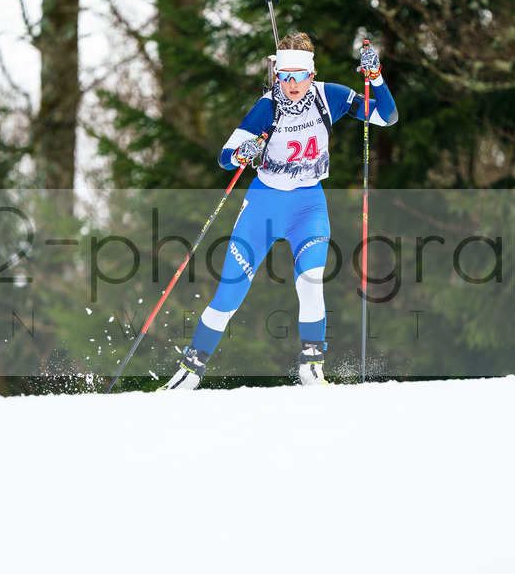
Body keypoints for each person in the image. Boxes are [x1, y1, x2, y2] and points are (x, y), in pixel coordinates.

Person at [161, 32, 398, 389]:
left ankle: (312, 366)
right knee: (229, 293)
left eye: (299, 76)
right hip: (263, 208)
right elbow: (227, 156)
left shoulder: (329, 96)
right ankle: (190, 370)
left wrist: (375, 76)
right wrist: (243, 154)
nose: (291, 84)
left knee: (311, 281)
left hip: (308, 208)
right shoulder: (267, 106)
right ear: (277, 75)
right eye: (284, 76)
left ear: (311, 74)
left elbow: (387, 117)